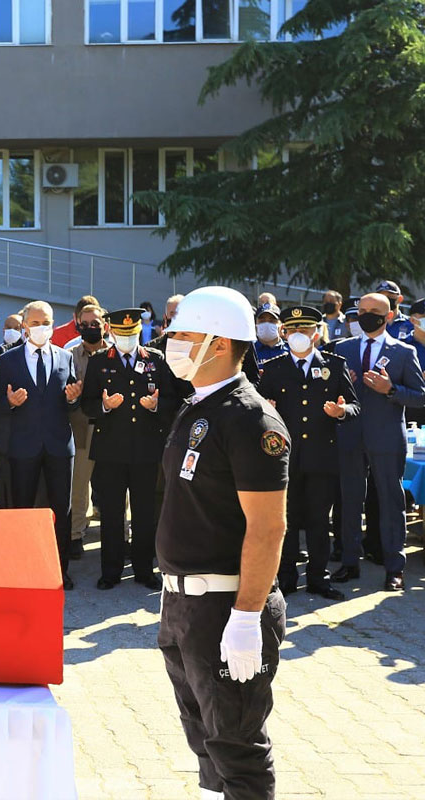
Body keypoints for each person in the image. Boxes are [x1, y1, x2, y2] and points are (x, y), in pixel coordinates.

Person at [153, 285, 289, 800]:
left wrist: (248, 616)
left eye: (183, 335)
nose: (172, 344)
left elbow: (267, 528)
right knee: (206, 743)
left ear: (218, 343)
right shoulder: (198, 407)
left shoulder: (251, 419)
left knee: (237, 748)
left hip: (224, 607)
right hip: (183, 603)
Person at [256, 305, 356, 600]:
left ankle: (318, 578)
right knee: (286, 520)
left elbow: (354, 406)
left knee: (317, 521)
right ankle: (286, 577)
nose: (300, 335)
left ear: (316, 332)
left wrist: (341, 412)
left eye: (306, 329)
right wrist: (266, 409)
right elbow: (257, 406)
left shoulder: (334, 366)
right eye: (294, 330)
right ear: (285, 333)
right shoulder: (274, 368)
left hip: (321, 457)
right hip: (284, 458)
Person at [332, 292, 425, 591]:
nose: (365, 315)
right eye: (362, 310)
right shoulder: (341, 349)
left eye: (373, 311)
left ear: (388, 316)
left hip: (386, 435)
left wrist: (390, 389)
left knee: (390, 500)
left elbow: (420, 396)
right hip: (349, 434)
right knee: (349, 499)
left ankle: (394, 567)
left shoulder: (403, 352)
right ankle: (349, 562)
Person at [81, 309, 175, 591]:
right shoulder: (100, 362)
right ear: (111, 332)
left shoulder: (155, 360)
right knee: (111, 513)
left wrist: (156, 406)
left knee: (144, 512)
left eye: (132, 334)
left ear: (139, 333)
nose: (127, 339)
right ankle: (110, 570)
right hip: (111, 450)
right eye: (122, 334)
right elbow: (86, 404)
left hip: (146, 450)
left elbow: (172, 400)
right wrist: (104, 407)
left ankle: (144, 569)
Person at [0, 300, 82, 589]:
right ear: (24, 326)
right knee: (23, 510)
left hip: (58, 445)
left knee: (61, 510)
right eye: (35, 323)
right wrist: (9, 402)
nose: (42, 328)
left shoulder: (64, 357)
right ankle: (23, 568)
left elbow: (69, 399)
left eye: (47, 322)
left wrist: (73, 398)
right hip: (23, 446)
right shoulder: (8, 361)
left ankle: (60, 570)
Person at [65, 304, 111, 561]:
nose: (91, 327)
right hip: (81, 428)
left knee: (115, 486)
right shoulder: (68, 355)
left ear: (105, 325)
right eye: (86, 323)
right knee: (79, 486)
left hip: (112, 428)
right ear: (78, 324)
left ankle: (119, 535)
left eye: (96, 323)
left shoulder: (116, 353)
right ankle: (75, 535)